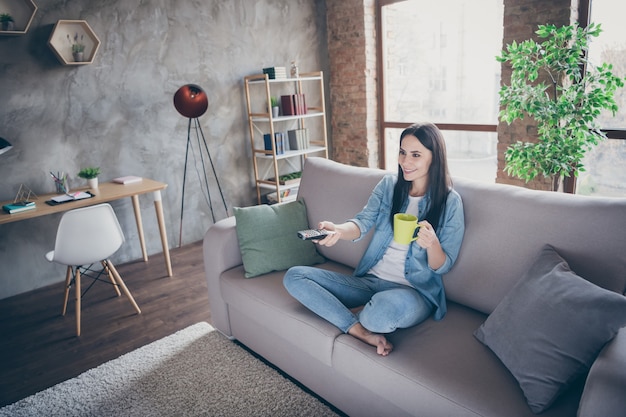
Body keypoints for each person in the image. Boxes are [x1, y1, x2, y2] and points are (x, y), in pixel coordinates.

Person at [283, 122, 465, 356]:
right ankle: (357, 328)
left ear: (435, 157)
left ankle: (361, 314)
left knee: (379, 315)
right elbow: (361, 222)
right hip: (369, 283)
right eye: (402, 152)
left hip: (414, 292)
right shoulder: (389, 186)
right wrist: (337, 230)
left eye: (416, 155)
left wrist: (432, 244)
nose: (405, 162)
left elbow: (443, 264)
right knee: (295, 276)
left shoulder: (450, 202)